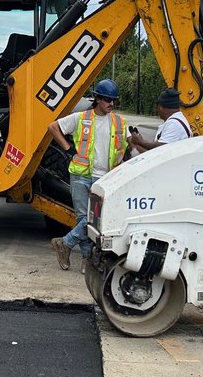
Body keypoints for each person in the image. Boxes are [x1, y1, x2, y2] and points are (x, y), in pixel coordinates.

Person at [46, 78, 129, 271]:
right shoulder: (81, 118)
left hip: (105, 178)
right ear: (98, 99)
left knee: (93, 220)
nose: (111, 104)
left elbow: (129, 144)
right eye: (108, 99)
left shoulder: (119, 122)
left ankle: (65, 243)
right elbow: (53, 127)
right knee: (83, 218)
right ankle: (86, 260)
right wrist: (67, 147)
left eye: (114, 100)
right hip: (81, 175)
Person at [128, 87, 194, 153]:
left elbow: (159, 151)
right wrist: (140, 142)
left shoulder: (174, 124)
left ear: (160, 107)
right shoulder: (177, 119)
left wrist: (138, 143)